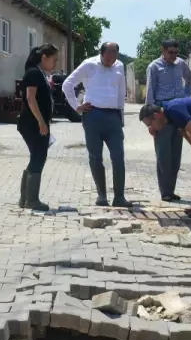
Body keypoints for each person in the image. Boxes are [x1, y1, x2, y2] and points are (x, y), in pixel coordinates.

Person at [62, 42, 131, 207]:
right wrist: (76, 107)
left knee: (118, 156)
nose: (111, 61)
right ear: (101, 53)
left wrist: (120, 117)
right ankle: (102, 196)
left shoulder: (119, 66)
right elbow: (67, 85)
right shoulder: (89, 65)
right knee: (95, 157)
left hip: (113, 116)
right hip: (93, 115)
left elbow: (121, 92)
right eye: (109, 57)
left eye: (115, 57)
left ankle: (119, 197)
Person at [145, 39, 191, 203]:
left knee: (175, 154)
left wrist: (186, 96)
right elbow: (150, 94)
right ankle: (165, 191)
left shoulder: (181, 64)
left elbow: (189, 79)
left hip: (178, 109)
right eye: (170, 52)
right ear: (163, 50)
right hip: (161, 111)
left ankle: (171, 190)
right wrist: (151, 122)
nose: (174, 56)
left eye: (175, 52)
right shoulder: (154, 67)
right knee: (163, 153)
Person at [18, 43, 59, 212]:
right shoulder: (34, 73)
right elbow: (30, 98)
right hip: (32, 124)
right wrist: (41, 122)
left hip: (35, 123)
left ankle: (25, 198)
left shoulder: (39, 73)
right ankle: (32, 200)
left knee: (36, 157)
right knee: (38, 157)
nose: (55, 64)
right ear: (44, 58)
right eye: (54, 60)